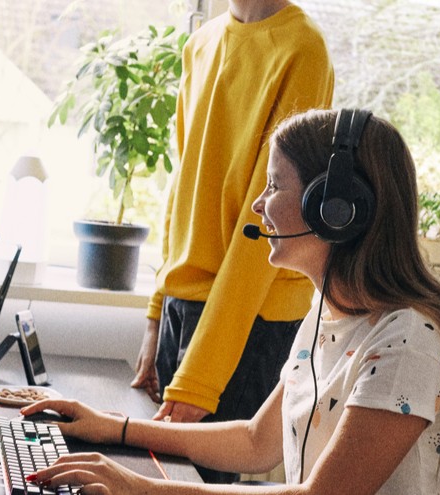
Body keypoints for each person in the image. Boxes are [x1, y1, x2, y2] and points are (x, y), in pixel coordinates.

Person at [21, 108, 440, 494]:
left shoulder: (407, 343)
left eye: (274, 185)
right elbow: (256, 442)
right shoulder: (328, 312)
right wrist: (115, 427)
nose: (258, 203)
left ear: (334, 210)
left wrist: (140, 489)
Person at [131, 0, 334, 483]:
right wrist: (156, 316)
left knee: (185, 487)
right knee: (159, 477)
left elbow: (263, 222)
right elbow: (182, 193)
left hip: (249, 319)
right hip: (186, 308)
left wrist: (203, 373)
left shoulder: (303, 46)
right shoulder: (200, 44)